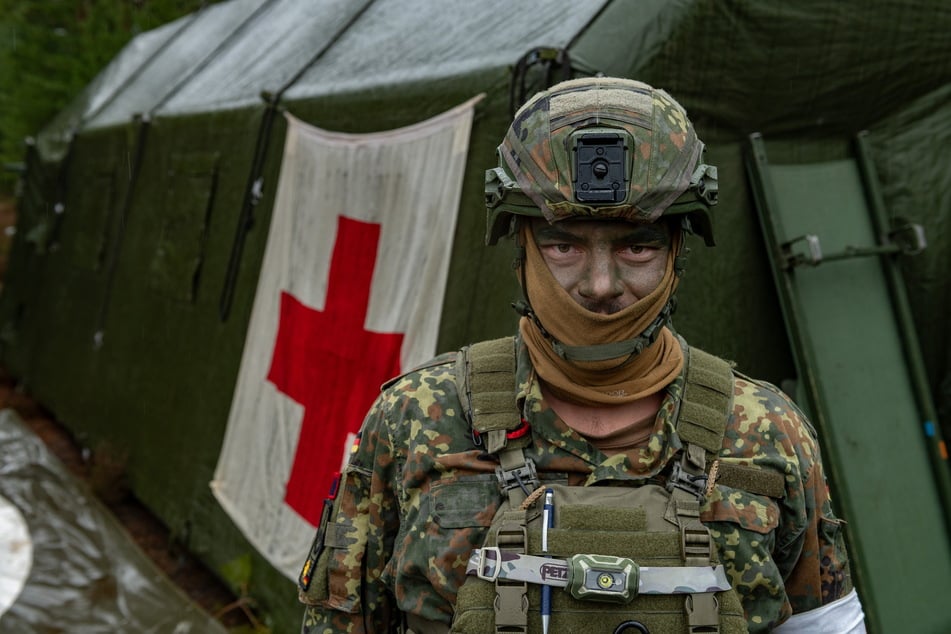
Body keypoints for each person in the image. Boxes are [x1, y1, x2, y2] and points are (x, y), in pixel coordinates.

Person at [297, 77, 866, 633]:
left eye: (637, 245)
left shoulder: (768, 433)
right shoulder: (417, 418)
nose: (600, 284)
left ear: (677, 251)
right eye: (563, 244)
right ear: (519, 245)